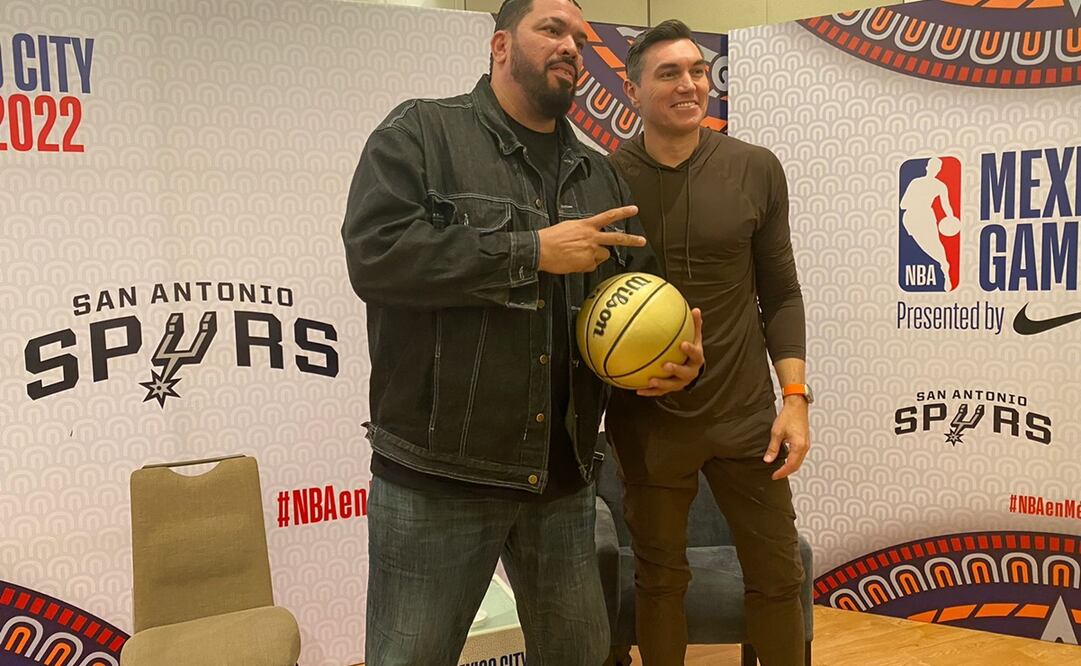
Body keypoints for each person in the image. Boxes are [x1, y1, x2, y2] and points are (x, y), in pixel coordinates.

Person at [340, 2, 704, 664]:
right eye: (552, 30)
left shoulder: (598, 175)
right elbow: (376, 256)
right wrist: (528, 251)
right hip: (438, 477)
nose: (571, 45)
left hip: (559, 481)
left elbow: (634, 296)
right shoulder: (423, 132)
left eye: (579, 36)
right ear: (501, 45)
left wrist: (672, 356)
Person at [604, 19, 811, 666]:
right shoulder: (601, 180)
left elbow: (779, 292)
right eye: (668, 72)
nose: (689, 83)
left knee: (778, 578)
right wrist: (623, 378)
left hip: (746, 416)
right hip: (648, 419)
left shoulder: (754, 168)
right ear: (633, 88)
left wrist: (796, 397)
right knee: (659, 581)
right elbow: (587, 311)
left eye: (696, 70)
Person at [900, 157, 957, 290]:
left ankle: (945, 267)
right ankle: (944, 265)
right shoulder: (917, 183)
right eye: (933, 167)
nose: (934, 170)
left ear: (938, 170)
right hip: (912, 218)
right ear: (928, 167)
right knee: (927, 245)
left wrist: (951, 218)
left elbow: (946, 205)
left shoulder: (940, 186)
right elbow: (902, 205)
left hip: (925, 217)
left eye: (936, 168)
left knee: (934, 244)